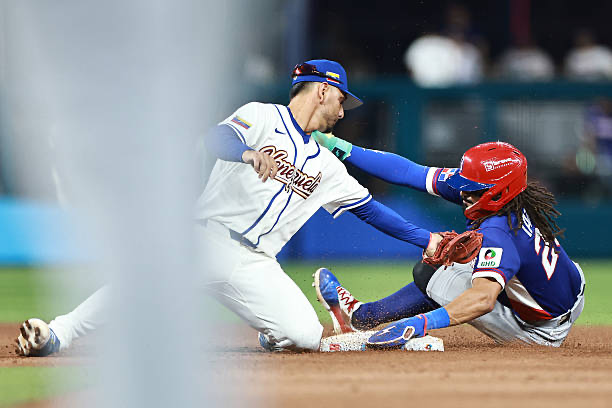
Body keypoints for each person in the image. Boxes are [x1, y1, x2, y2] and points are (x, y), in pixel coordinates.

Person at [16, 59, 441, 356]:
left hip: (255, 262)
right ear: (323, 90)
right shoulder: (261, 117)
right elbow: (216, 138)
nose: (342, 111)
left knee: (306, 336)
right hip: (205, 238)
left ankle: (272, 333)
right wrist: (248, 155)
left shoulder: (327, 165)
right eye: (340, 100)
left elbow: (371, 210)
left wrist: (427, 240)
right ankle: (57, 334)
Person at [313, 134, 585, 347]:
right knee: (478, 264)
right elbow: (409, 172)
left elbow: (482, 299)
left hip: (541, 331)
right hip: (569, 293)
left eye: (473, 188)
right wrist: (339, 146)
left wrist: (418, 324)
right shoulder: (507, 197)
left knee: (433, 271)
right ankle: (363, 316)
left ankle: (362, 316)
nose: (463, 191)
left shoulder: (499, 234)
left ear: (499, 191)